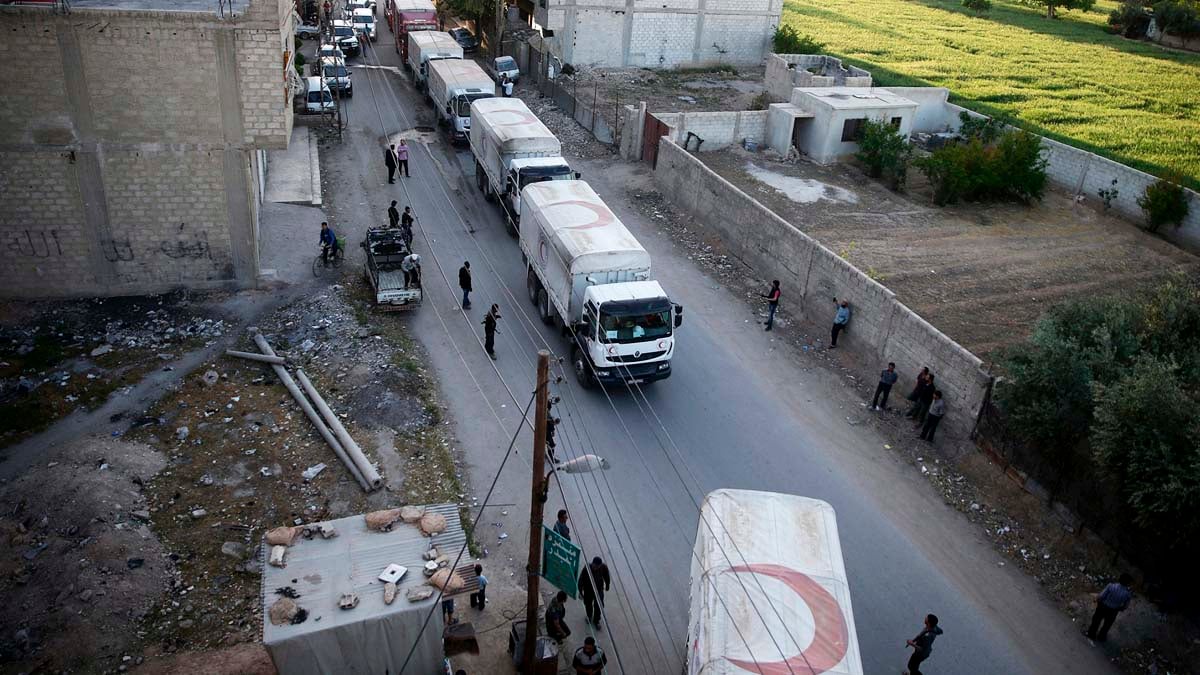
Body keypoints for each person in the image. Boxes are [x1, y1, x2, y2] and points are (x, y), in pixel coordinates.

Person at [1087, 574, 1133, 642]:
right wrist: (1120, 608)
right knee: (1107, 625)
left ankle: (1091, 634)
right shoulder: (1127, 594)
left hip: (1103, 606)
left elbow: (1102, 596)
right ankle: (1101, 637)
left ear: (1119, 579)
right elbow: (1125, 606)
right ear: (1128, 583)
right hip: (1113, 611)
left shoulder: (1111, 586)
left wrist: (1097, 600)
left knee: (1096, 620)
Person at [577, 556, 611, 628]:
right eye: (594, 565)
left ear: (599, 566)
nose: (594, 567)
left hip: (599, 590)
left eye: (596, 566)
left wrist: (607, 585)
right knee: (588, 604)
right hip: (588, 590)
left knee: (598, 605)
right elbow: (581, 579)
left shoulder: (603, 567)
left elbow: (607, 577)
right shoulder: (587, 568)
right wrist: (580, 592)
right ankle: (589, 616)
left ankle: (596, 620)